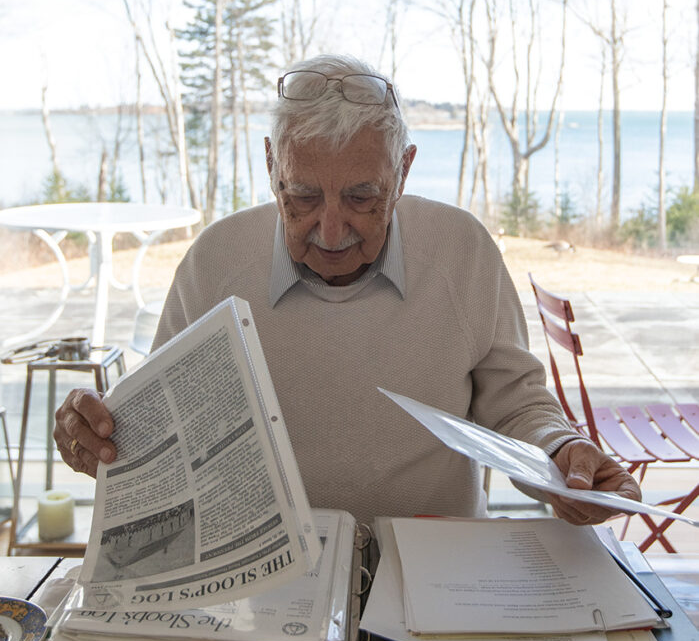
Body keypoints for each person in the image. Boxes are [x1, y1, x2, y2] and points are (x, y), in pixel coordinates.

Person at [54, 54, 641, 527]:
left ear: (403, 171)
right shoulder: (215, 263)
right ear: (269, 165)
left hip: (439, 576)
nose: (330, 232)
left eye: (363, 197)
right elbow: (163, 434)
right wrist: (98, 436)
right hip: (264, 585)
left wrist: (561, 452)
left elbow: (513, 401)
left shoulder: (461, 250)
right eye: (302, 196)